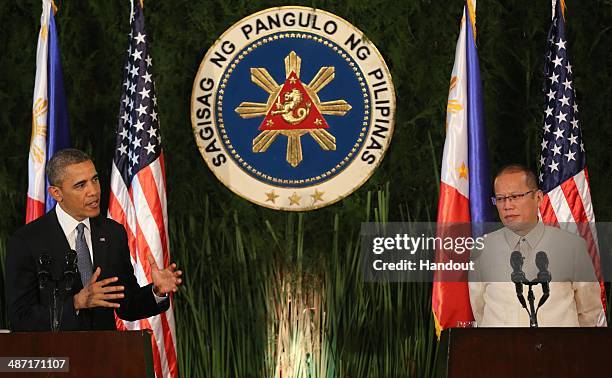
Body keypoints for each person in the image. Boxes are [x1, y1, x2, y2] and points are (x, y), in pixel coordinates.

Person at [5, 148, 182, 331]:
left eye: (95, 180)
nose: (93, 191)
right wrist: (75, 303)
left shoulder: (113, 233)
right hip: (55, 356)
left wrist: (156, 291)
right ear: (57, 193)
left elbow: (126, 304)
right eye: (81, 185)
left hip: (104, 354)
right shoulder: (26, 242)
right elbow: (21, 317)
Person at [469, 164, 604, 327]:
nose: (507, 206)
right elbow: (479, 309)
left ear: (538, 198)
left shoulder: (572, 247)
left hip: (558, 351)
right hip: (500, 351)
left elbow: (589, 312)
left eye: (516, 196)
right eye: (500, 199)